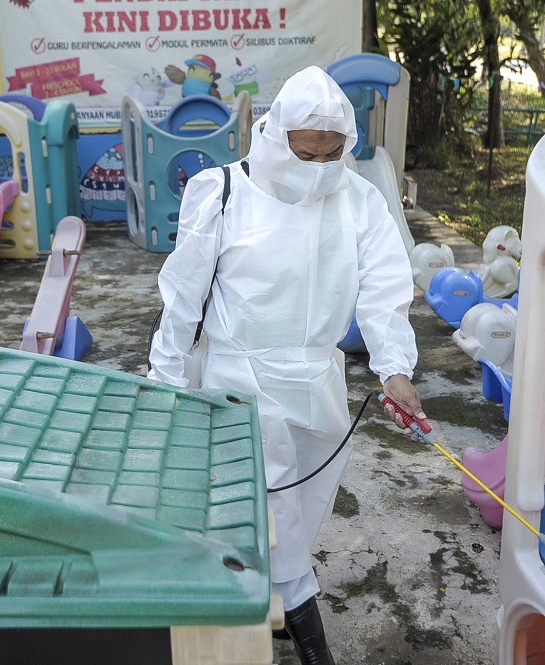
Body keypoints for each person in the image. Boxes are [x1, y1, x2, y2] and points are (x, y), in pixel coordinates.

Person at [147, 66, 425, 665]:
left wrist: (395, 368)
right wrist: (164, 380)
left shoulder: (359, 198)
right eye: (304, 153)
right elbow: (183, 297)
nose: (317, 168)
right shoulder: (222, 191)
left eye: (331, 154)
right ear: (275, 139)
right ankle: (307, 635)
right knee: (271, 508)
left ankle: (267, 607)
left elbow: (384, 290)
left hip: (318, 383)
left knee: (297, 510)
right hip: (238, 380)